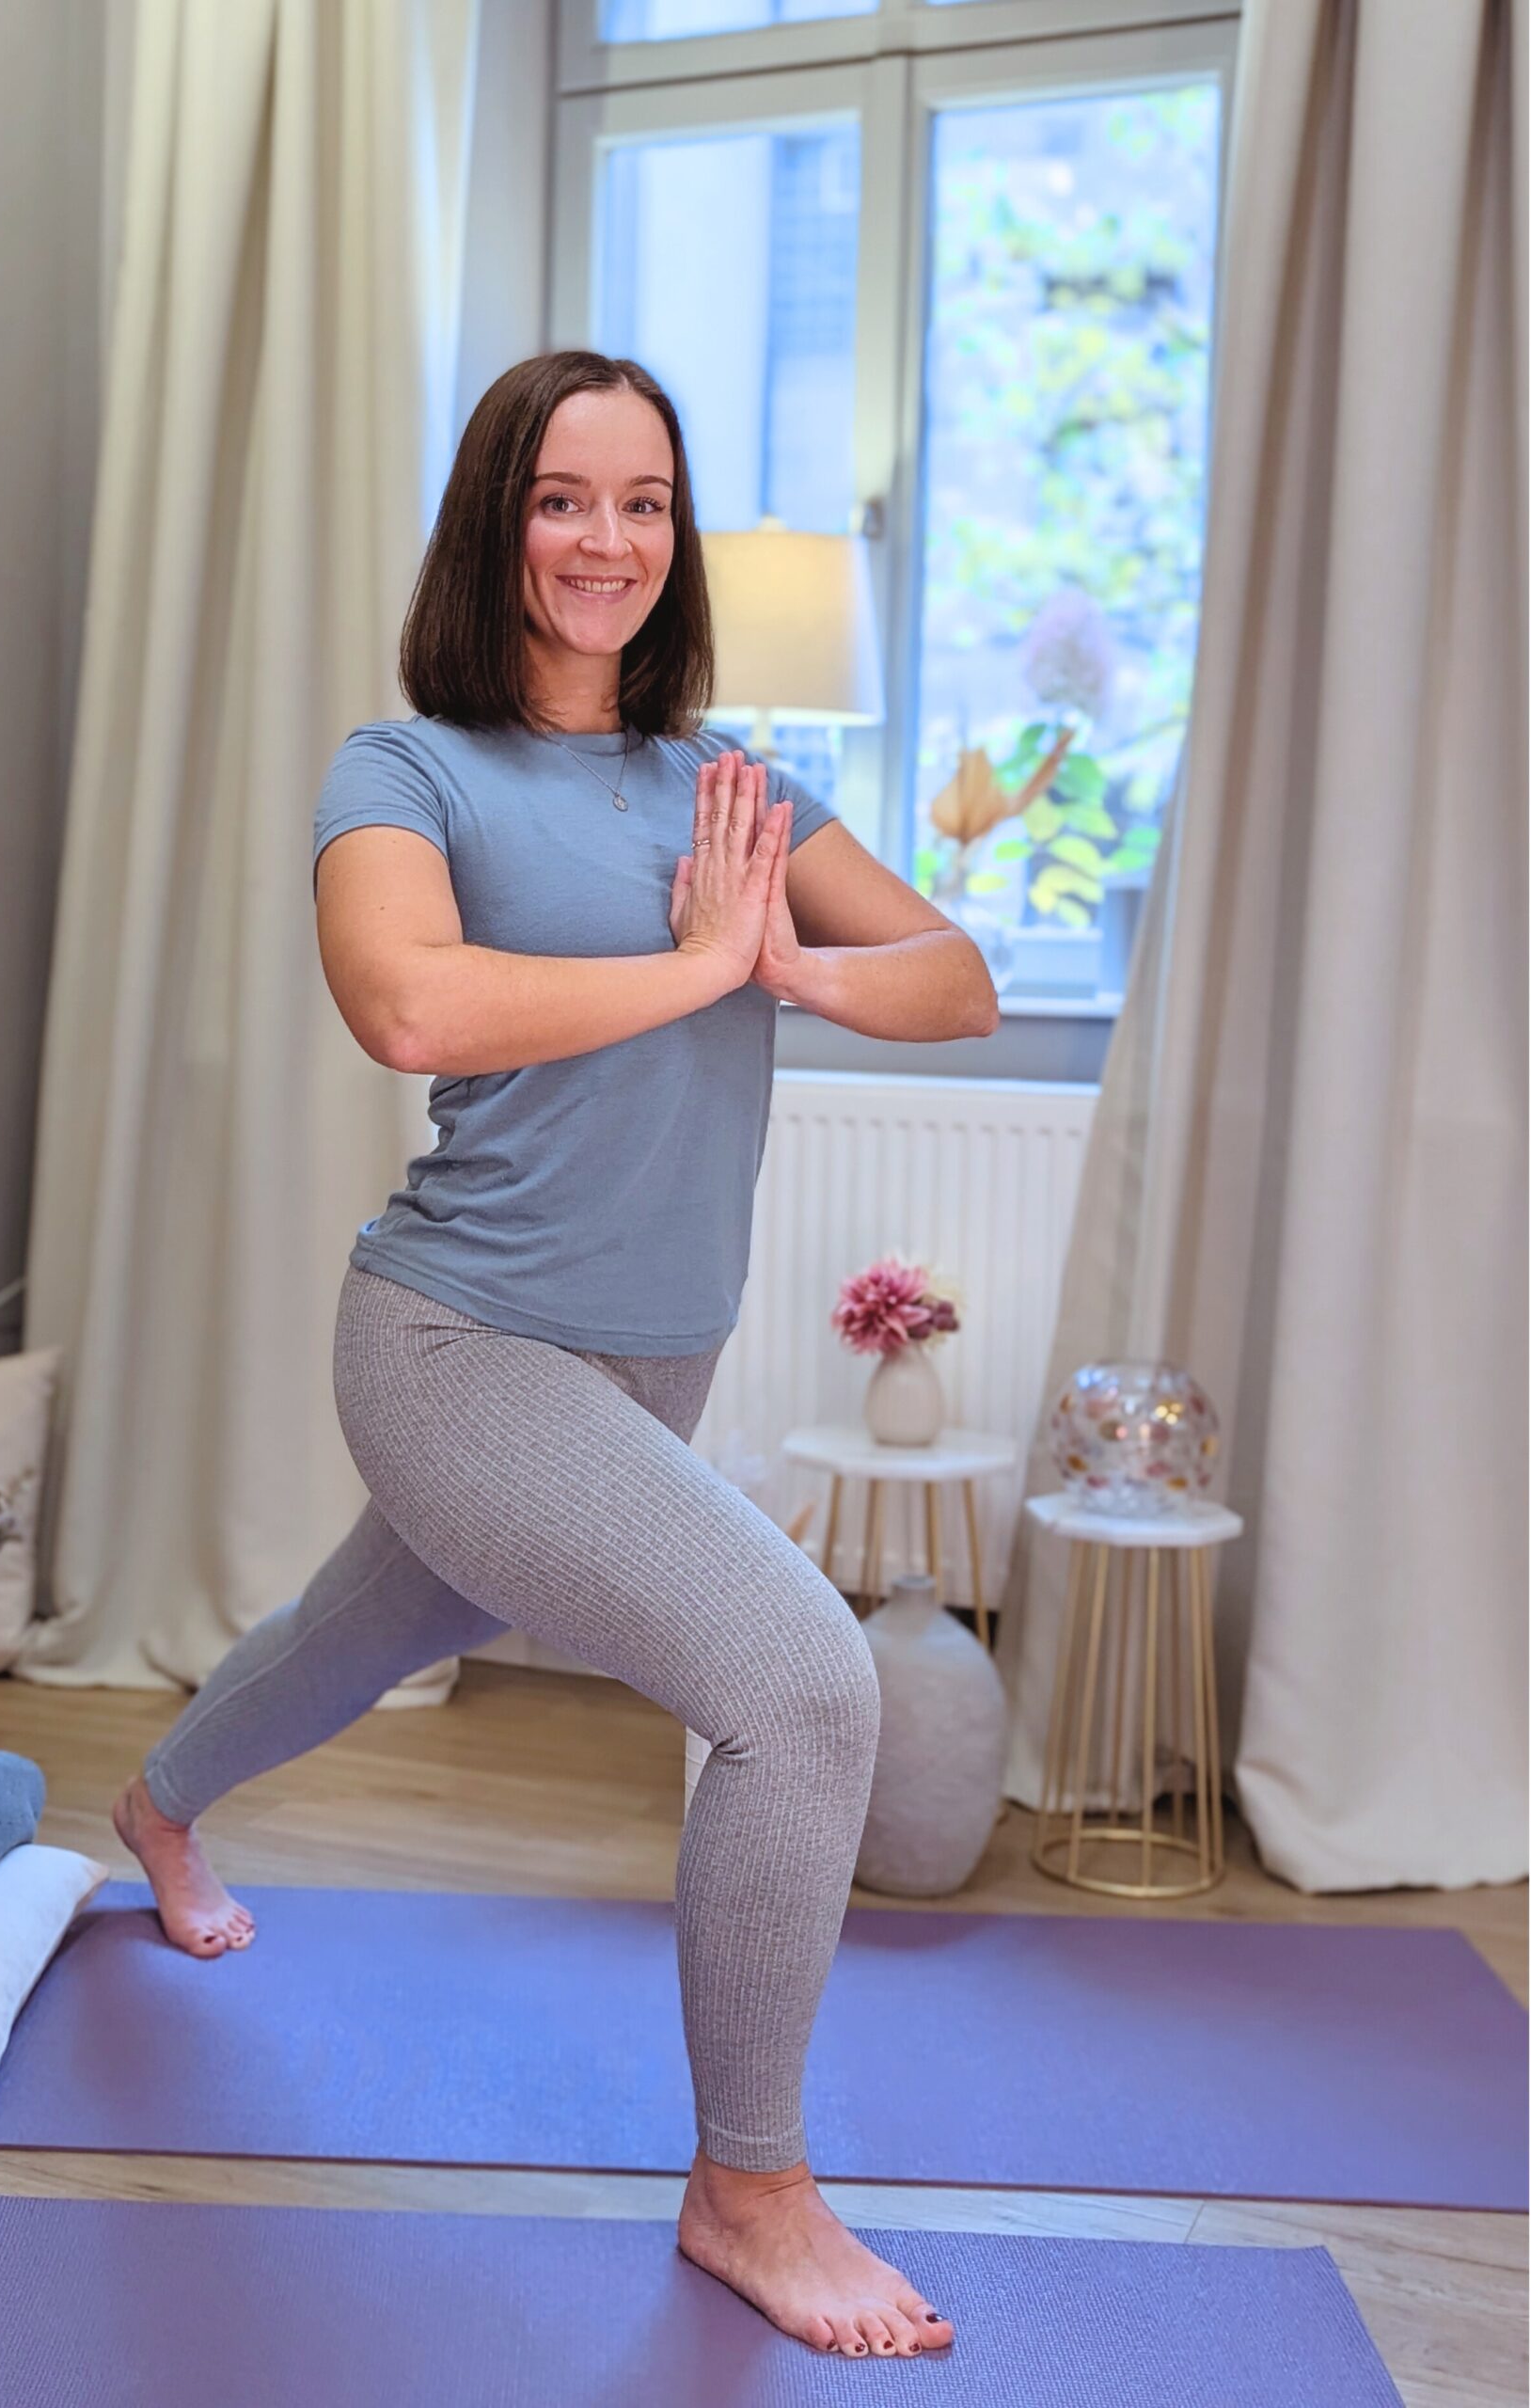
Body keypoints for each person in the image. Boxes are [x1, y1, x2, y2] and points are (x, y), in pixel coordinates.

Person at [113, 349, 997, 2359]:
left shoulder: (729, 787)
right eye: (563, 497)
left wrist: (785, 958)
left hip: (648, 1360)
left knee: (363, 1628)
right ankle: (749, 2189)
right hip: (456, 1341)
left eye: (645, 501)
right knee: (803, 1685)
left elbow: (956, 979)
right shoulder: (406, 768)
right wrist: (695, 964)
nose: (609, 540)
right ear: (495, 520)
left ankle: (160, 1803)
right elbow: (410, 1006)